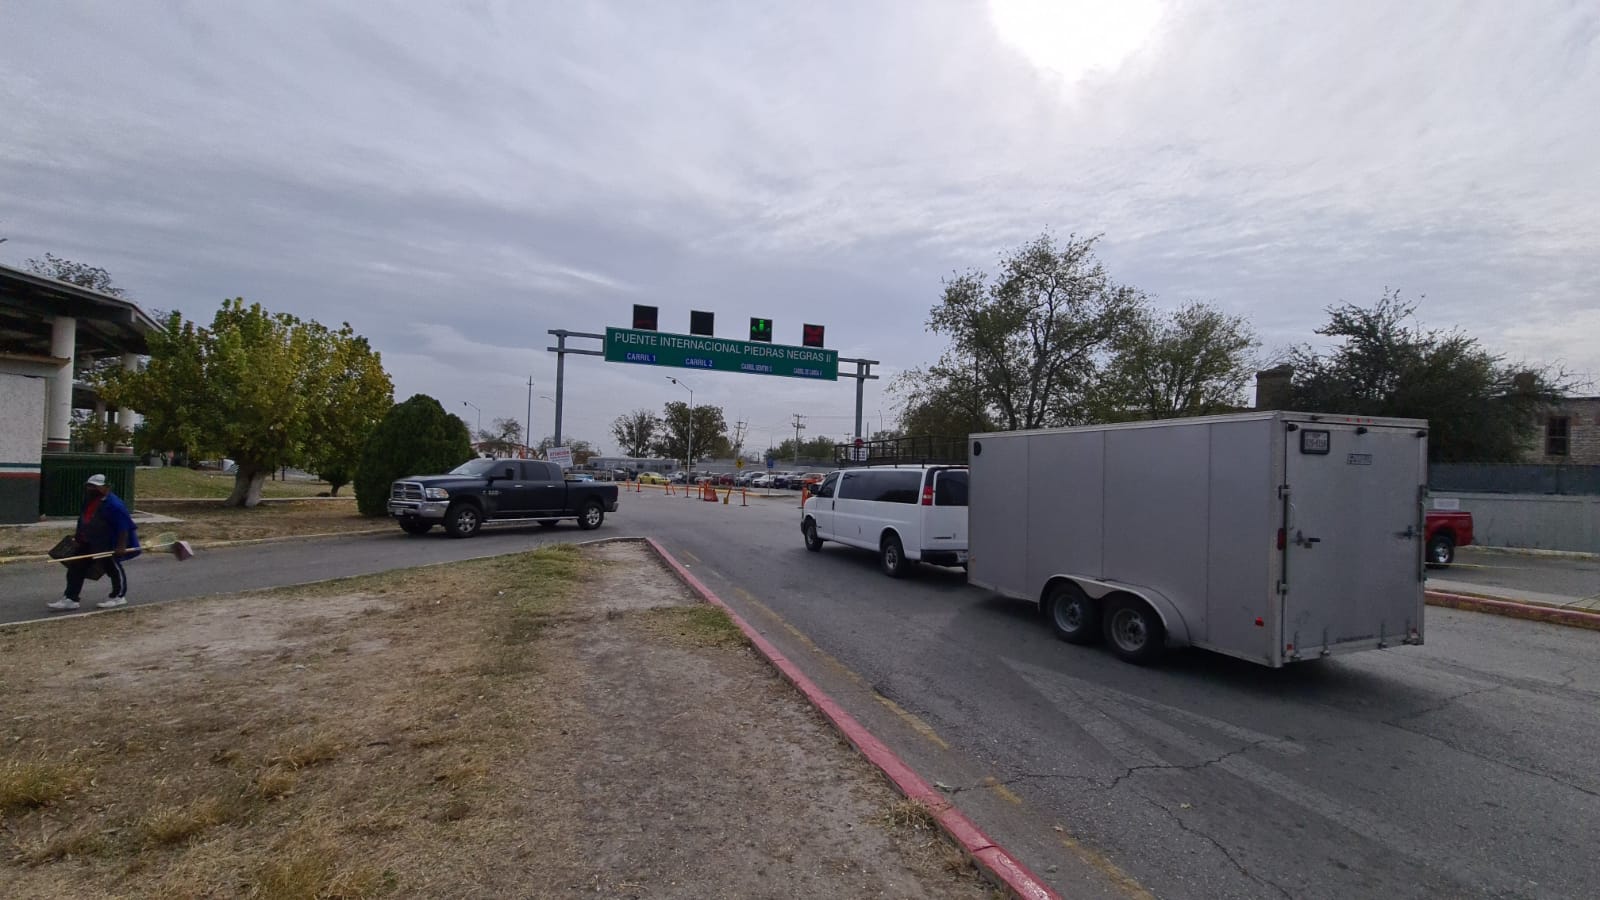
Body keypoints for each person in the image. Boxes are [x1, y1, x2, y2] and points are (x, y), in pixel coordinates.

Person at [47, 474, 141, 611]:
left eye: (95, 486)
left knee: (112, 568)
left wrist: (120, 546)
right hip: (89, 541)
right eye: (89, 486)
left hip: (107, 543)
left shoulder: (114, 505)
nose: (91, 489)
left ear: (106, 488)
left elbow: (124, 527)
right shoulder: (89, 501)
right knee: (76, 567)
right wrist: (78, 537)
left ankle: (118, 596)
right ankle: (71, 598)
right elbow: (84, 520)